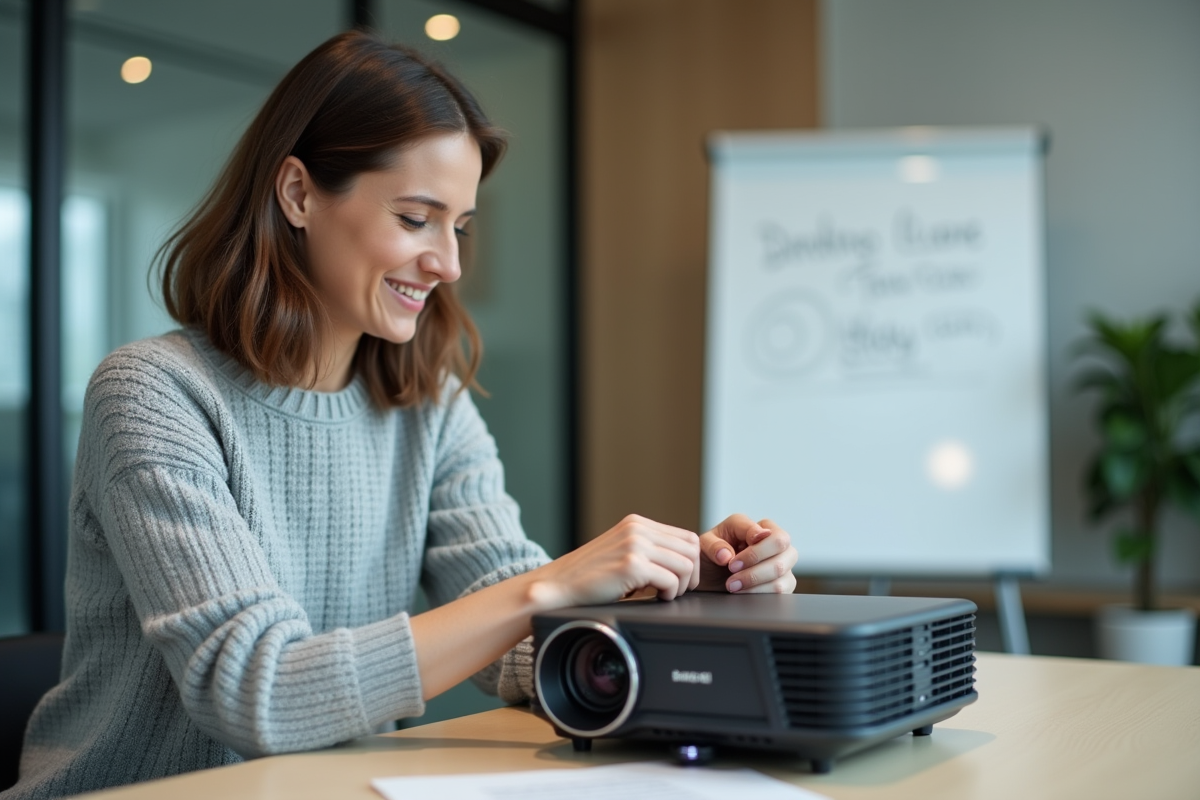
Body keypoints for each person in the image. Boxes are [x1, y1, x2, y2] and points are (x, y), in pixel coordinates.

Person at [3, 30, 798, 800]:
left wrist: (689, 598)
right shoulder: (154, 393)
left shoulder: (429, 403)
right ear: (298, 193)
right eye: (416, 219)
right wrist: (549, 587)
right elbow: (258, 693)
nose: (449, 264)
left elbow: (521, 656)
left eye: (459, 227)